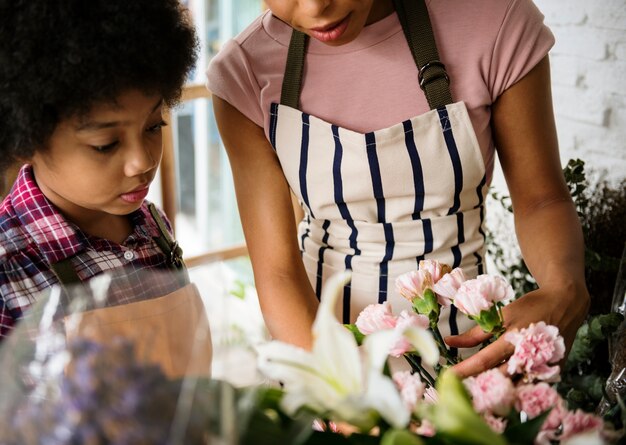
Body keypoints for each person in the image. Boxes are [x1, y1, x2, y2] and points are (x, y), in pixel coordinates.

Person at [207, 0, 590, 377]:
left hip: (470, 355)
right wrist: (342, 397)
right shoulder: (245, 70)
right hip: (320, 354)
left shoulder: (495, 20)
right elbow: (277, 271)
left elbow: (542, 199)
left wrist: (564, 288)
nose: (316, 7)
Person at [0, 0, 203, 358]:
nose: (142, 161)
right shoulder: (8, 269)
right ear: (25, 139)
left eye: (154, 126)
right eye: (105, 144)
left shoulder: (153, 226)